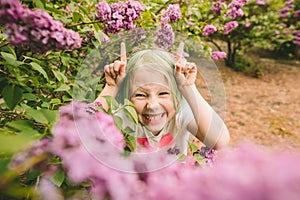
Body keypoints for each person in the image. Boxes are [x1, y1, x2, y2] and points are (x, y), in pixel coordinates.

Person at [94, 42, 230, 155]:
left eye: (163, 93)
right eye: (140, 95)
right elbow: (82, 135)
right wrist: (111, 87)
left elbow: (220, 141)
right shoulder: (123, 116)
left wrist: (188, 87)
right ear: (127, 96)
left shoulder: (180, 115)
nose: (152, 105)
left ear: (177, 95)